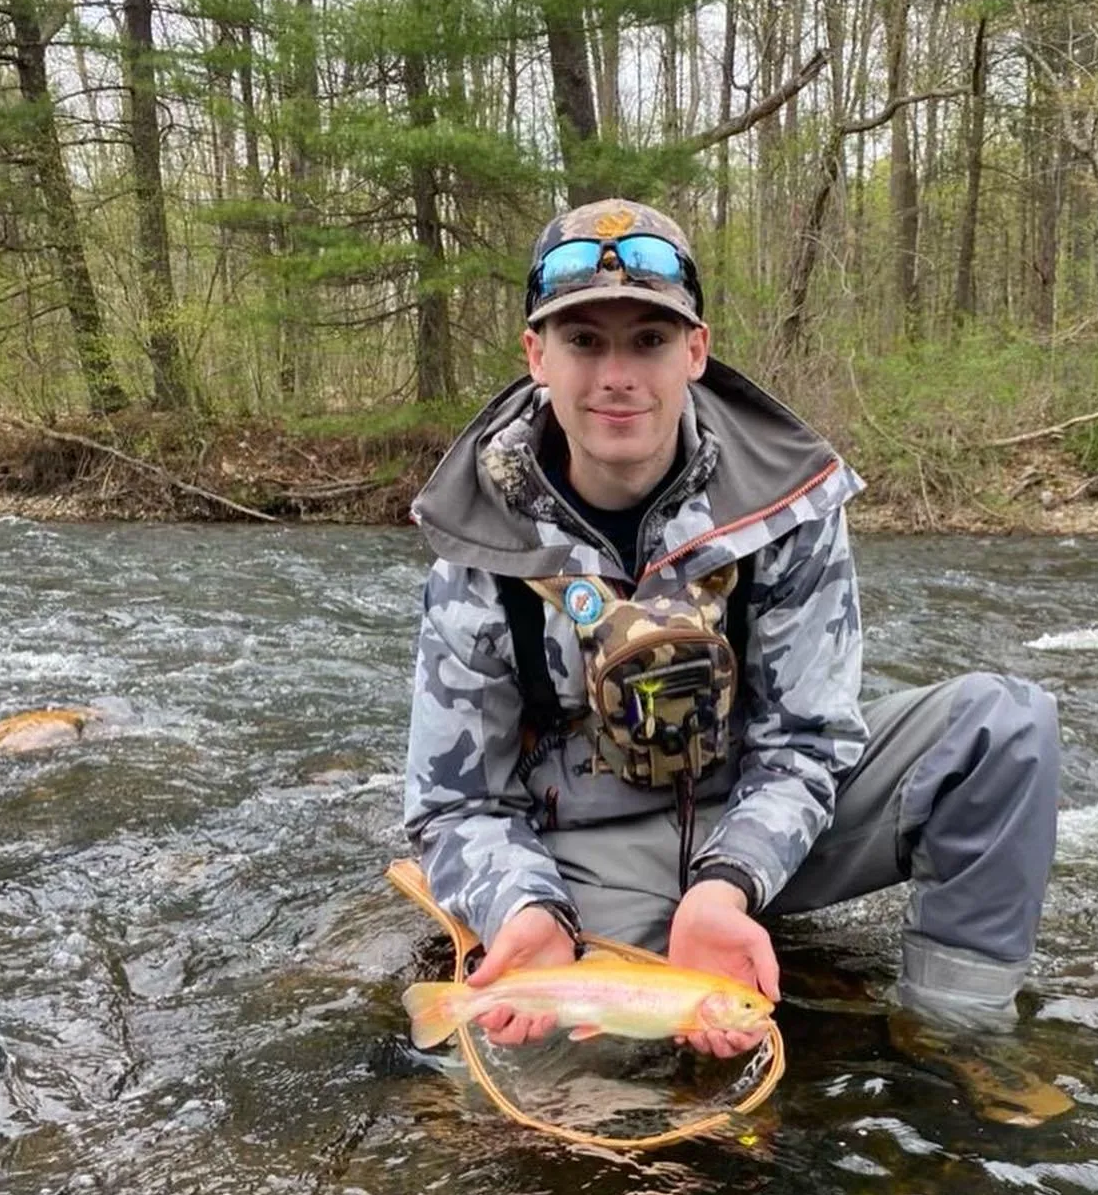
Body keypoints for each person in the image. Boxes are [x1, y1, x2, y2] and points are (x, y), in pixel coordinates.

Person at [403, 199, 1060, 1058]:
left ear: (697, 352)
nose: (617, 376)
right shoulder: (477, 542)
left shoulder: (787, 502)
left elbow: (809, 740)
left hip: (769, 823)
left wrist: (727, 885)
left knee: (1003, 728)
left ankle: (959, 1050)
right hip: (586, 855)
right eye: (584, 342)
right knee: (572, 1083)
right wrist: (525, 912)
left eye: (649, 339)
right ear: (537, 358)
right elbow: (455, 803)